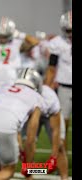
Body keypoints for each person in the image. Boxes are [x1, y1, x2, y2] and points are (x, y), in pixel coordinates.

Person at [0, 68, 49, 180]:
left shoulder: (4, 88)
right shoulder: (37, 98)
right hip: (6, 126)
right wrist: (28, 168)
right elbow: (31, 138)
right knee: (9, 170)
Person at [0, 17, 40, 107]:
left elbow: (35, 42)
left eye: (5, 36)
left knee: (13, 109)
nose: (2, 38)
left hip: (14, 82)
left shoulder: (16, 43)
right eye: (0, 35)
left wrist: (19, 34)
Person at [20, 84, 69, 179]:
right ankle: (29, 176)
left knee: (60, 145)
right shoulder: (22, 99)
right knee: (27, 144)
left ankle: (64, 177)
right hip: (30, 113)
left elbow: (56, 131)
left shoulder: (50, 98)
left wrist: (53, 158)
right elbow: (30, 140)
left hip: (49, 113)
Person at [44, 10, 72, 152]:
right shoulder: (57, 43)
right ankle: (62, 160)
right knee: (62, 126)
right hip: (64, 88)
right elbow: (51, 68)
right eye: (69, 30)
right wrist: (47, 89)